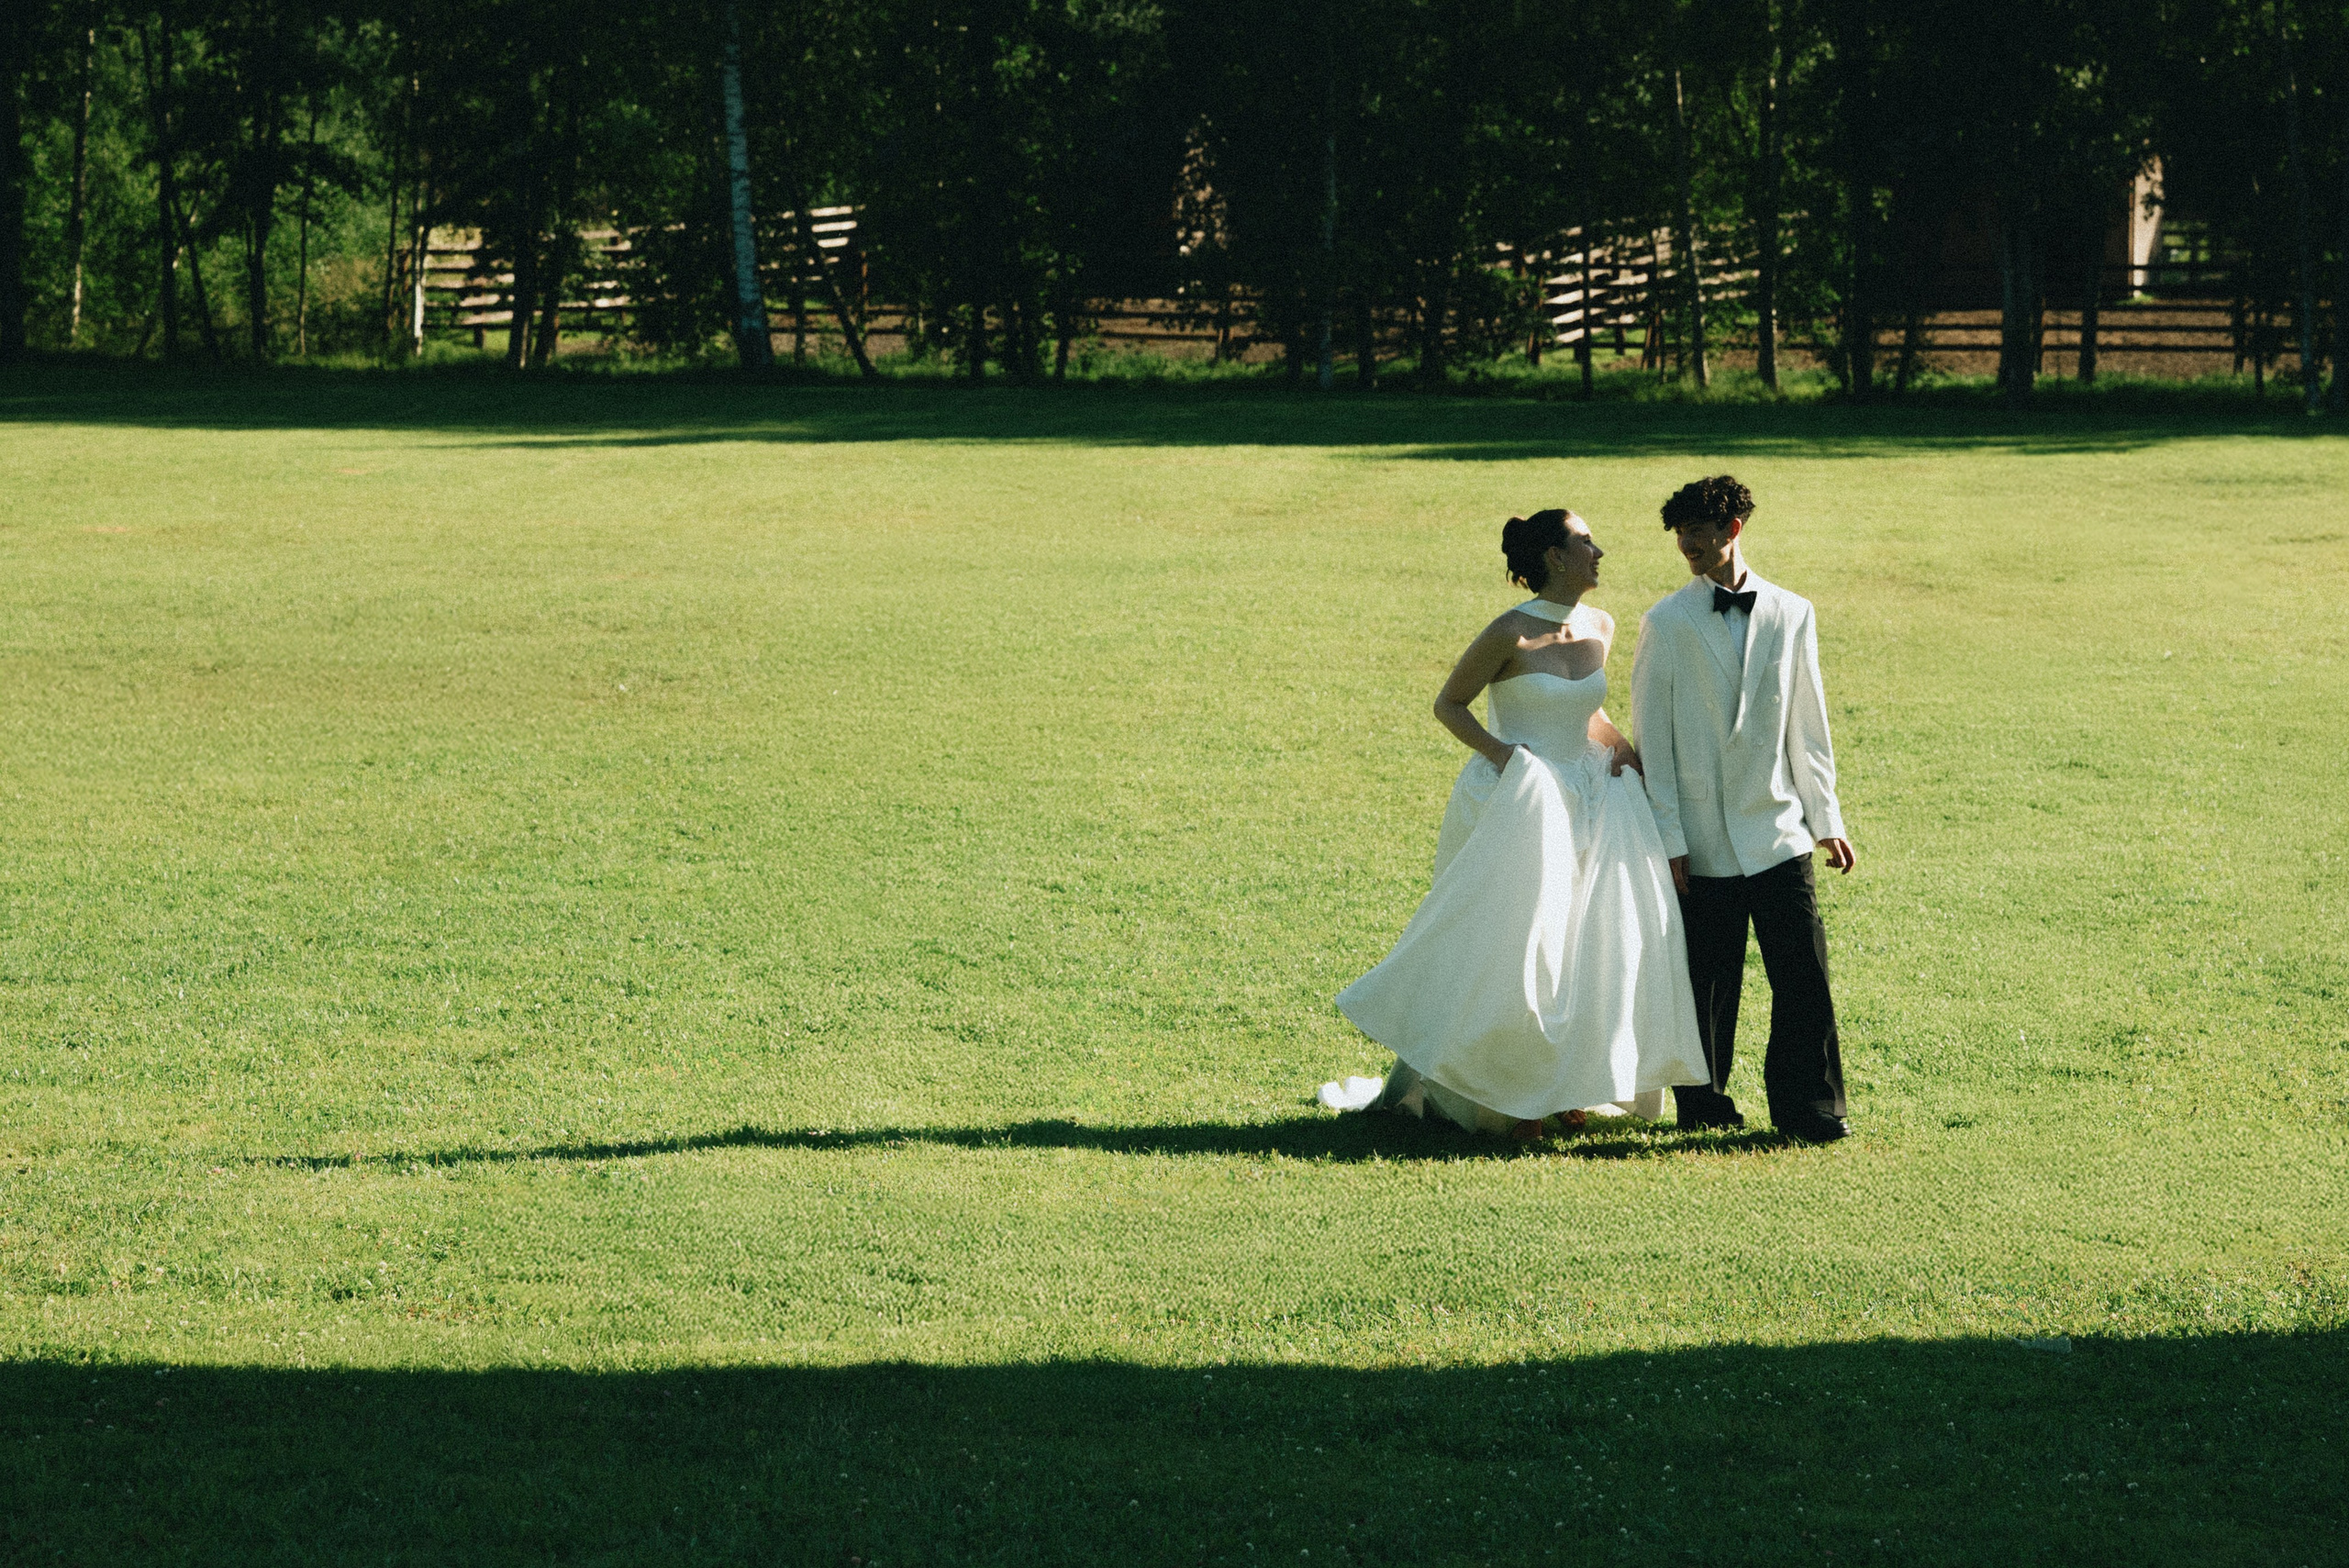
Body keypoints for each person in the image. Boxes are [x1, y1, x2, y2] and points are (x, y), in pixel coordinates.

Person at [1319, 508, 1709, 1138]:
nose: (1599, 552)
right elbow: (1449, 704)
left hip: (1592, 795)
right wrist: (1502, 754)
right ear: (1556, 556)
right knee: (1526, 945)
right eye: (1586, 542)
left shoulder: (1601, 625)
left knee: (1589, 942)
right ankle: (1511, 1097)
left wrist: (1622, 749)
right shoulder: (1510, 632)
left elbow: (1587, 711)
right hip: (1526, 800)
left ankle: (1567, 1084)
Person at [1629, 475, 1854, 1144]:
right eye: (1679, 534)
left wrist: (1827, 821)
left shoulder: (1793, 612)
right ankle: (1703, 1104)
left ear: (1733, 529)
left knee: (1804, 973)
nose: (1686, 545)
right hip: (1700, 836)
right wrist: (1670, 835)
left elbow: (1808, 728)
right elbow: (1653, 739)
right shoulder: (1665, 622)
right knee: (1708, 980)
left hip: (1778, 827)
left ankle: (1811, 1108)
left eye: (1697, 532)